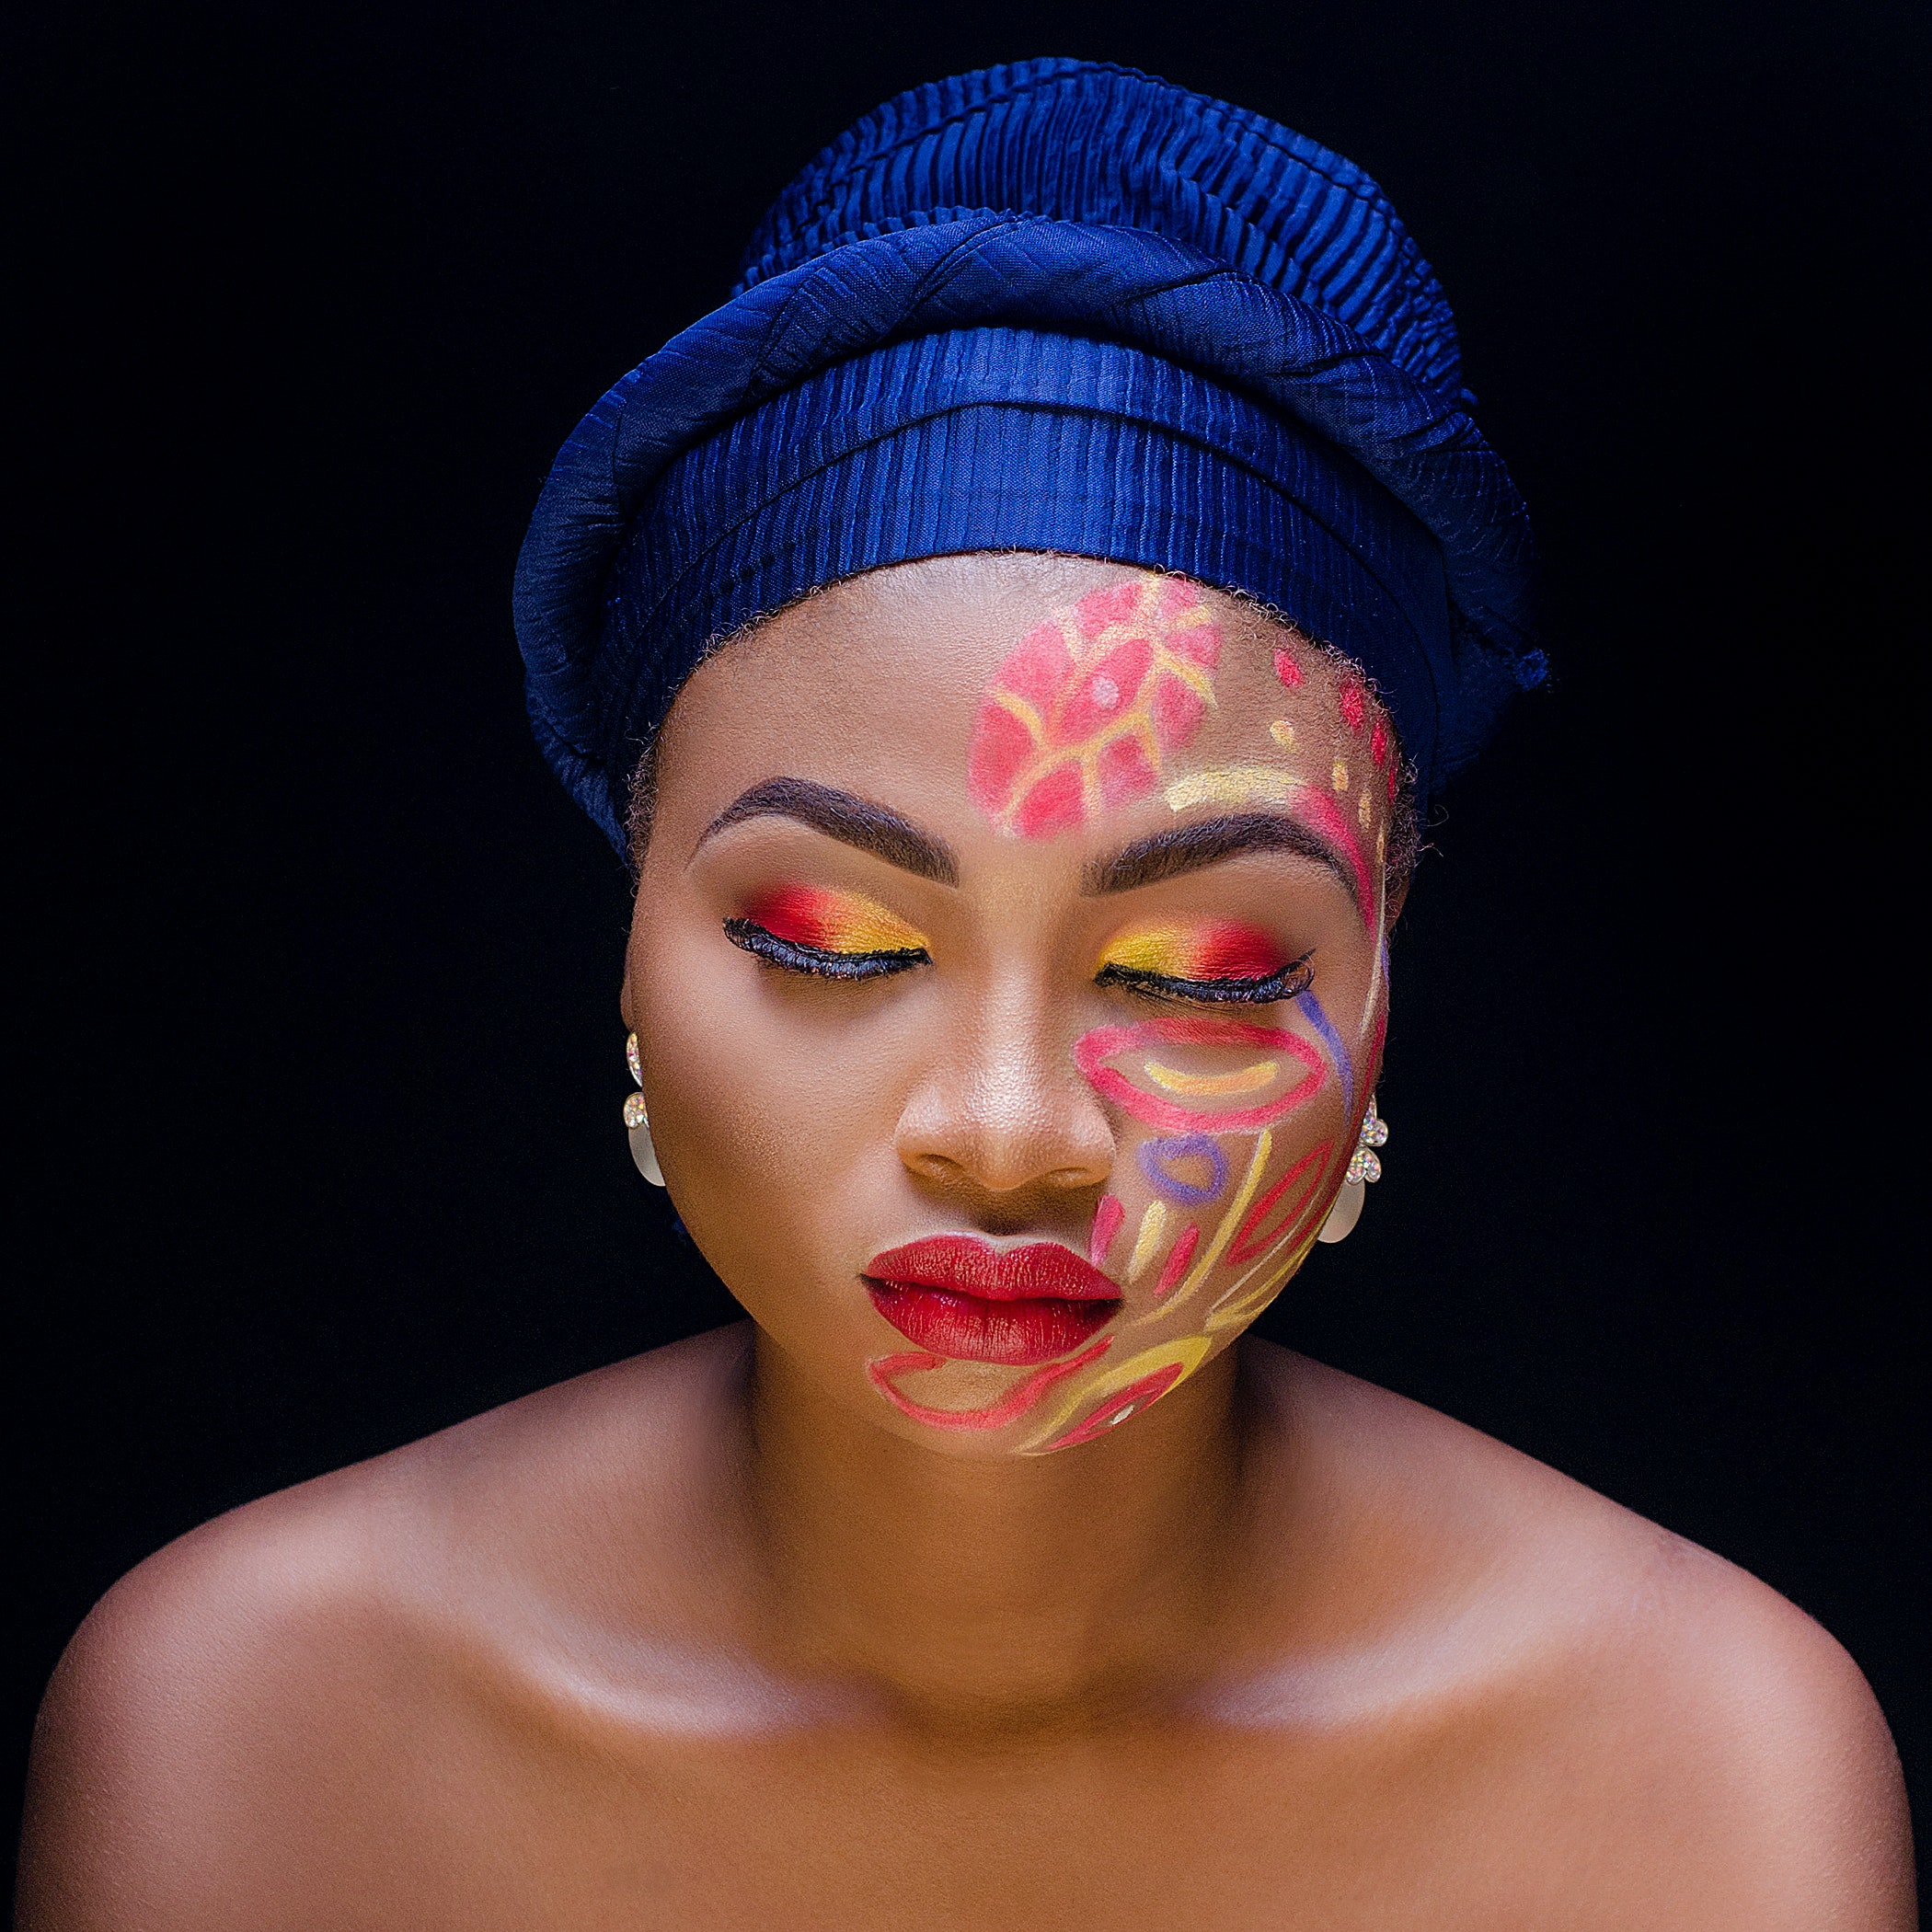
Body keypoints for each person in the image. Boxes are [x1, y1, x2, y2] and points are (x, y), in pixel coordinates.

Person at [18, 59, 1911, 1929]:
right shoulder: (253, 1730)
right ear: (631, 942)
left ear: (1390, 981)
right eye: (834, 944)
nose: (1008, 1132)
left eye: (1210, 974)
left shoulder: (1702, 1769)